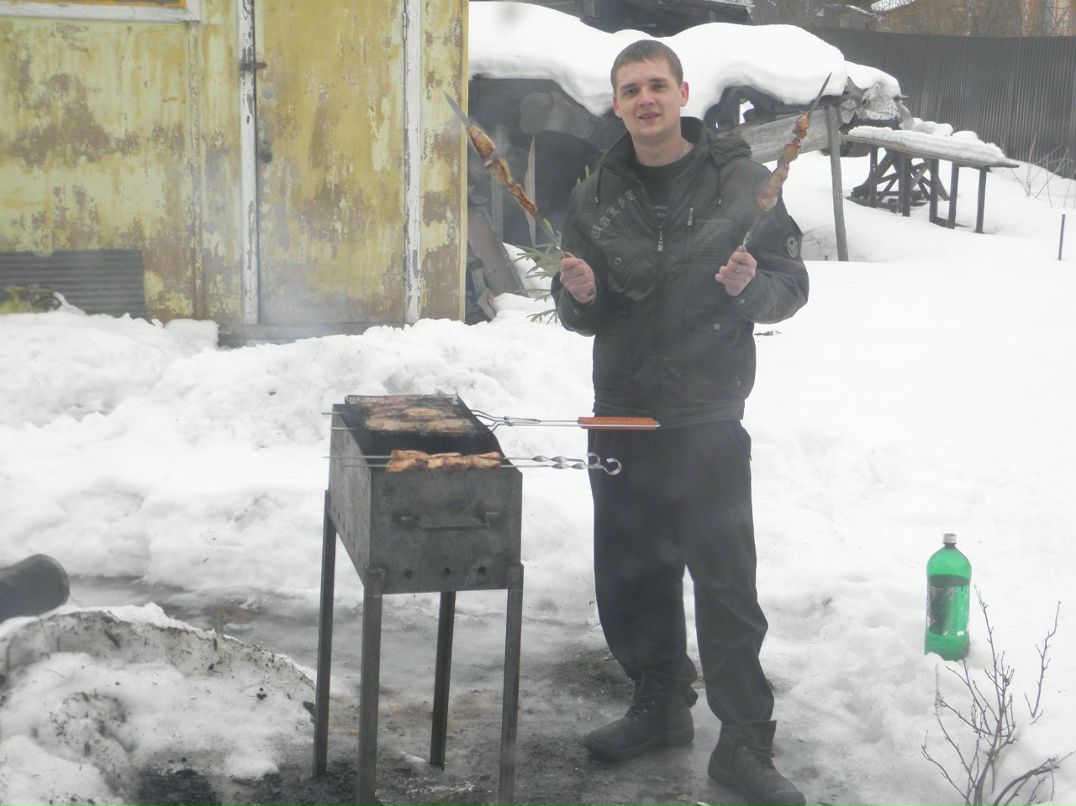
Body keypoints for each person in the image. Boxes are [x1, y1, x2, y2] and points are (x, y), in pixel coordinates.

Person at [551, 40, 809, 806]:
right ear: (617, 103)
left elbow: (791, 283)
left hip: (707, 417)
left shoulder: (743, 184)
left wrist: (751, 287)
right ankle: (660, 704)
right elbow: (583, 311)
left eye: (657, 85)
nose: (646, 99)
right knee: (631, 575)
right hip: (623, 414)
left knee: (725, 583)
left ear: (683, 93)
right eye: (631, 89)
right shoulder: (596, 197)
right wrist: (581, 296)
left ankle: (744, 743)